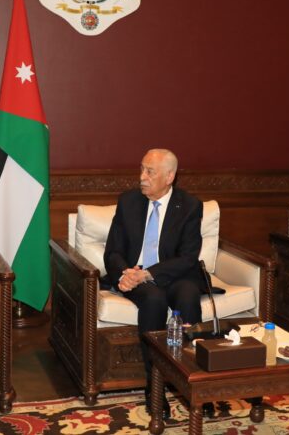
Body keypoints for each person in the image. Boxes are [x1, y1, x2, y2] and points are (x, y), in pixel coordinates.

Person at [104, 148, 212, 418]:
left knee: (188, 295)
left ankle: (197, 383)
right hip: (136, 275)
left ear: (169, 176)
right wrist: (125, 273)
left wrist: (149, 273)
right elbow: (113, 251)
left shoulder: (189, 206)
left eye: (150, 172)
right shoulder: (128, 201)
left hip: (174, 275)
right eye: (141, 169)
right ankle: (154, 386)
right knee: (154, 299)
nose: (142, 177)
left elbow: (188, 257)